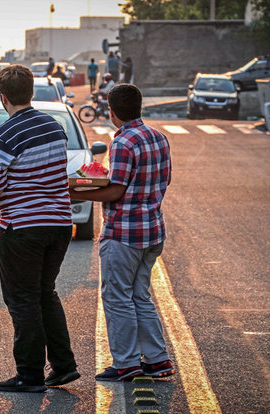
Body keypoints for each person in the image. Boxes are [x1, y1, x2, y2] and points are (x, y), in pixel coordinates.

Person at [0, 64, 79, 393]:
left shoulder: (2, 136)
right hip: (59, 223)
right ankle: (64, 365)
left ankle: (29, 375)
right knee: (45, 293)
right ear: (31, 92)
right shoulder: (55, 127)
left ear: (3, 97)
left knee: (22, 299)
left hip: (23, 227)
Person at [69, 84, 174, 381]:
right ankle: (157, 359)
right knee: (141, 295)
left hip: (124, 233)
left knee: (117, 297)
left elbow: (115, 190)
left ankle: (126, 363)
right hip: (152, 230)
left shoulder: (124, 142)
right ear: (139, 107)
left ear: (112, 111)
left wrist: (75, 192)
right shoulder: (159, 138)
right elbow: (164, 179)